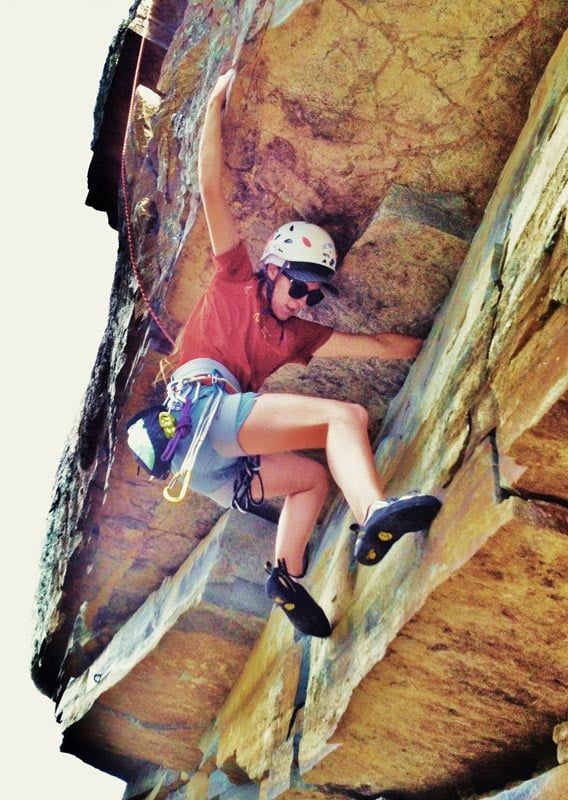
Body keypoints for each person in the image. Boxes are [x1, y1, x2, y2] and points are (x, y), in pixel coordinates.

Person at [134, 68, 441, 638]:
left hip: (211, 466)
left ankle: (284, 578)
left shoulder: (299, 336)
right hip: (203, 414)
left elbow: (374, 347)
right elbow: (210, 191)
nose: (304, 301)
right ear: (271, 270)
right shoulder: (233, 280)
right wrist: (213, 106)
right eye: (297, 286)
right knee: (344, 417)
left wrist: (439, 336)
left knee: (310, 479)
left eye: (314, 294)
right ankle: (373, 513)